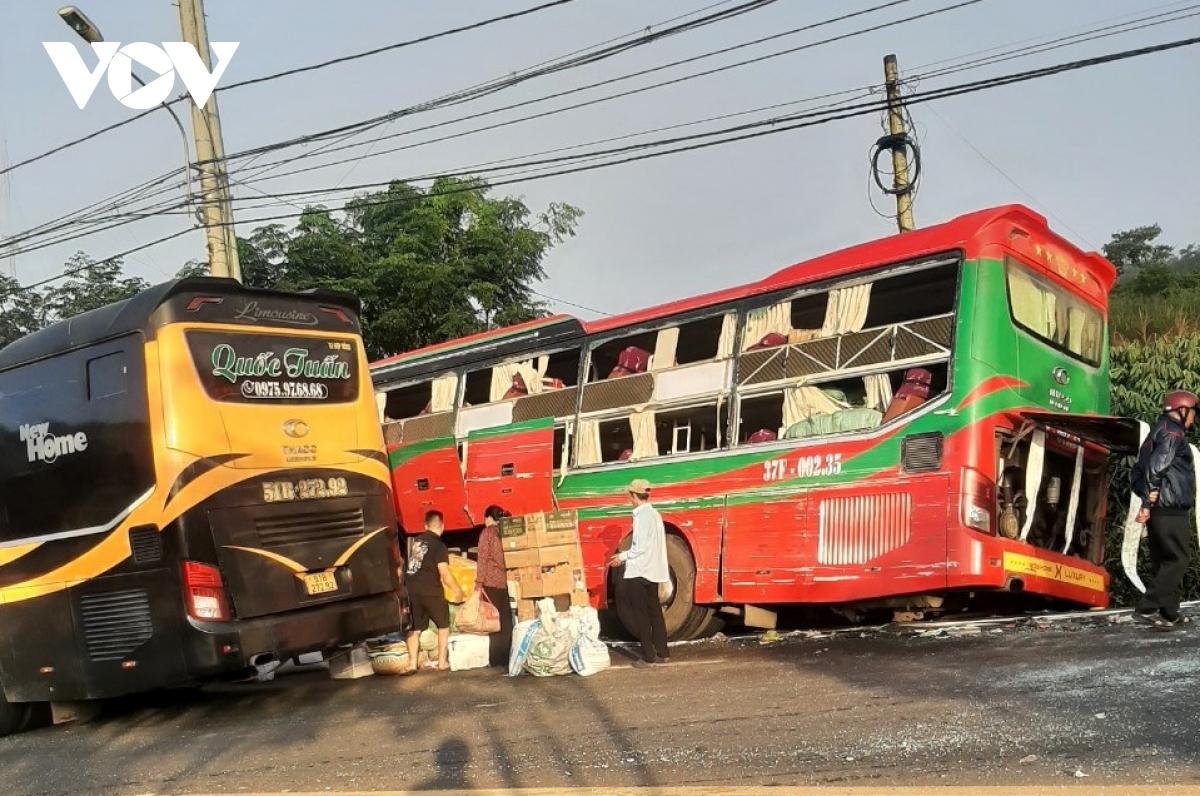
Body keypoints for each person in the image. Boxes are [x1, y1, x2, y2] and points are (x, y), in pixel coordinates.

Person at [1131, 389, 1198, 630]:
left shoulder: (1156, 431)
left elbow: (1139, 470)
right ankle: (1146, 609)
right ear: (1182, 410)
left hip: (1160, 508)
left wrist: (1147, 503)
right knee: (1178, 559)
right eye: (1193, 412)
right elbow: (1156, 469)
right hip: (1169, 508)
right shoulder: (1173, 433)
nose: (1194, 417)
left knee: (1164, 560)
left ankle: (1169, 612)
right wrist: (1148, 504)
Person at [608, 478, 670, 667]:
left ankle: (648, 655)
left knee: (641, 616)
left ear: (635, 496)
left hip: (640, 570)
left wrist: (621, 557)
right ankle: (663, 651)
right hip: (653, 570)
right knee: (655, 612)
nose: (630, 499)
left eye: (631, 496)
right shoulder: (655, 515)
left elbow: (638, 548)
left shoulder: (641, 516)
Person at [403, 510, 465, 673]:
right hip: (431, 591)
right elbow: (444, 573)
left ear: (425, 526)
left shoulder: (417, 542)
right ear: (442, 527)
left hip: (412, 590)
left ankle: (411, 664)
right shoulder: (439, 545)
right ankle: (442, 662)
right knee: (443, 626)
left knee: (414, 628)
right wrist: (457, 590)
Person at [476, 504, 515, 668]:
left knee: (493, 622)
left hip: (491, 583)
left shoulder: (487, 533)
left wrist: (478, 583)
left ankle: (496, 659)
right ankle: (507, 656)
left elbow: (483, 558)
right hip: (505, 582)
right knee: (506, 622)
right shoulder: (505, 532)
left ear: (488, 518)